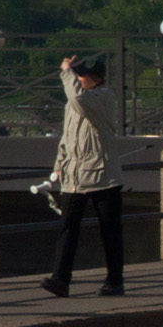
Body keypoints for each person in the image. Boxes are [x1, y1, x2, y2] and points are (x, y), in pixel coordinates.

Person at [41, 52, 125, 298]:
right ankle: (60, 279)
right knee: (67, 228)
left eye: (81, 75)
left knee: (110, 230)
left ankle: (114, 280)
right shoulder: (75, 101)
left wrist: (66, 71)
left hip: (103, 175)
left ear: (94, 78)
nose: (77, 79)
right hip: (74, 176)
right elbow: (67, 138)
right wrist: (59, 166)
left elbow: (78, 97)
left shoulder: (103, 97)